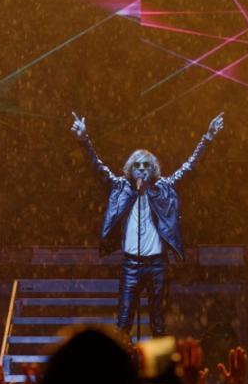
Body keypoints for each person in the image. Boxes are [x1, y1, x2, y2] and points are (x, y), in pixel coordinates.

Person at [71, 111, 224, 336]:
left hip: (157, 265)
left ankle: (157, 369)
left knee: (158, 322)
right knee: (123, 322)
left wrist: (207, 138)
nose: (142, 169)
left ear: (153, 169)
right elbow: (97, 167)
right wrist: (84, 140)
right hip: (131, 264)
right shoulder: (120, 187)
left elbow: (191, 167)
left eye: (146, 166)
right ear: (130, 169)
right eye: (138, 165)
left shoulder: (164, 187)